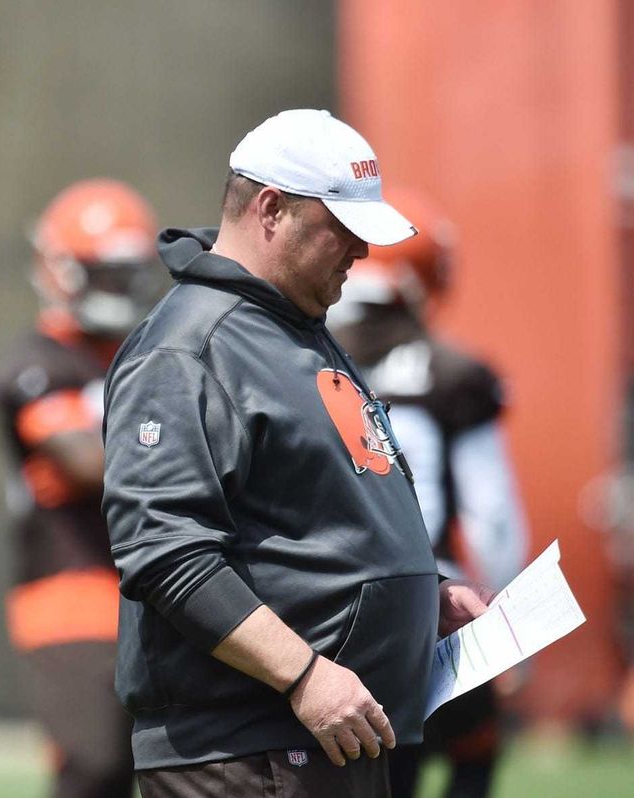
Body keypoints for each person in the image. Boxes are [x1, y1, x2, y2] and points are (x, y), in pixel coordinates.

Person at [101, 109, 496, 798]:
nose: (361, 254)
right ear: (272, 210)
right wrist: (303, 674)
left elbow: (312, 523)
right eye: (342, 230)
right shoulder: (191, 345)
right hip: (249, 752)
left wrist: (421, 595)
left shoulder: (291, 327)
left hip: (319, 739)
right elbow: (165, 551)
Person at [327, 189, 528, 798]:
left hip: (325, 603)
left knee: (381, 765)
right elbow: (491, 514)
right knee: (472, 751)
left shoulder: (301, 355)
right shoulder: (454, 373)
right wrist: (510, 623)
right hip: (433, 597)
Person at [0, 179, 163, 798]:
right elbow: (93, 467)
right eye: (104, 274)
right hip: (70, 588)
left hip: (161, 586)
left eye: (125, 275)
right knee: (94, 766)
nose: (117, 291)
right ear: (62, 270)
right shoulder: (35, 364)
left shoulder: (149, 356)